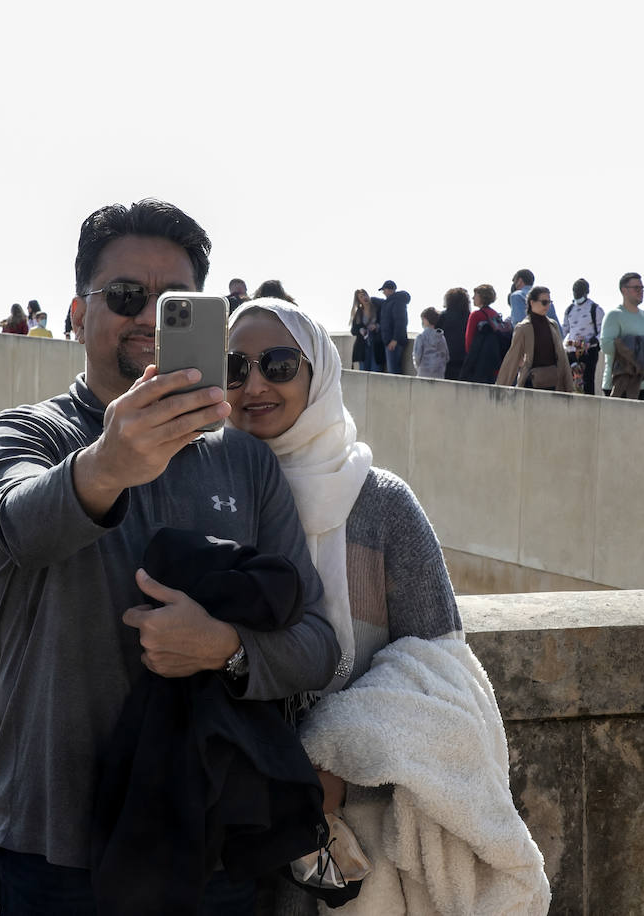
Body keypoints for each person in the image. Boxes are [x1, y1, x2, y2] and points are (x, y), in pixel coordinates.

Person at [0, 199, 338, 914]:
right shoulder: (24, 436)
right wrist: (108, 463)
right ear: (78, 314)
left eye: (172, 303)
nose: (146, 317)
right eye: (126, 297)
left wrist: (225, 650)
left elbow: (316, 643)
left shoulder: (244, 460)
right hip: (60, 851)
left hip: (212, 847)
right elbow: (19, 525)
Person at [225, 300, 550, 915]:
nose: (256, 385)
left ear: (317, 373)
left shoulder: (382, 505)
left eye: (278, 364)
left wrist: (336, 757)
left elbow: (437, 663)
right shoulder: (209, 495)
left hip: (358, 838)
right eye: (236, 368)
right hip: (229, 826)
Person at [497, 287, 574, 392]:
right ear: (532, 303)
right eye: (544, 302)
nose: (547, 306)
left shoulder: (553, 325)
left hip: (554, 384)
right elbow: (512, 358)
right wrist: (500, 389)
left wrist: (569, 388)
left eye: (549, 302)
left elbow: (562, 358)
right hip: (531, 385)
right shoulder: (523, 327)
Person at [600, 272, 644, 399]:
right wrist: (637, 343)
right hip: (620, 384)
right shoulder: (614, 315)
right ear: (624, 290)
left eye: (642, 288)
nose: (640, 291)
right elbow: (606, 347)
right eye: (636, 288)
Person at [563, 279, 604, 394]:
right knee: (572, 382)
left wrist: (592, 341)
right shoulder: (569, 309)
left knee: (587, 381)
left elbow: (603, 331)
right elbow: (564, 330)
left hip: (589, 351)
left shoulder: (595, 309)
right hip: (572, 352)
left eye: (580, 291)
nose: (577, 294)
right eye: (575, 291)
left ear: (587, 292)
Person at [372, 281, 410, 375]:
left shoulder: (398, 302)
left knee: (393, 371)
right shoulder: (389, 302)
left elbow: (400, 322)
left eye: (384, 290)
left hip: (394, 342)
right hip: (389, 341)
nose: (384, 292)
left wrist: (395, 339)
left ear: (389, 290)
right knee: (392, 369)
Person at [436, 287, 469, 381]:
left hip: (446, 356)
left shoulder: (444, 316)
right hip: (463, 357)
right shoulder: (468, 316)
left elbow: (437, 334)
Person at [348, 289, 381, 372]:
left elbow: (383, 323)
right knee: (363, 371)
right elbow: (353, 330)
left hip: (376, 345)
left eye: (365, 295)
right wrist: (360, 330)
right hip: (363, 346)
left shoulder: (377, 308)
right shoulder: (358, 312)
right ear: (359, 300)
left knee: (375, 370)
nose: (364, 298)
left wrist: (376, 326)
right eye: (361, 297)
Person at [413, 306, 449, 379]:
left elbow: (417, 356)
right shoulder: (441, 337)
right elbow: (446, 357)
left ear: (425, 320)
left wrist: (418, 367)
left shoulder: (421, 337)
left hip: (423, 373)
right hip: (439, 374)